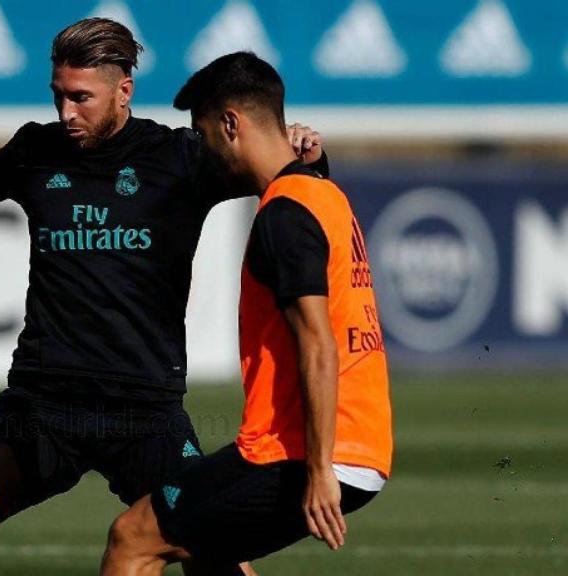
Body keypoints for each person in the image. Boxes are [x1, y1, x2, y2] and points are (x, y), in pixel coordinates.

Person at [0, 20, 326, 576]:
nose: (66, 113)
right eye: (58, 96)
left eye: (81, 98)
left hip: (145, 413)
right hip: (43, 408)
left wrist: (308, 156)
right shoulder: (36, 150)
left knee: (215, 559)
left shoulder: (182, 158)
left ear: (123, 89)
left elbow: (274, 174)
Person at [99, 51, 393, 576]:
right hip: (353, 446)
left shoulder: (285, 212)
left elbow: (318, 343)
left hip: (302, 453)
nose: (203, 150)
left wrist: (320, 469)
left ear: (230, 124)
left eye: (204, 132)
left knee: (133, 538)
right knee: (206, 550)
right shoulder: (323, 194)